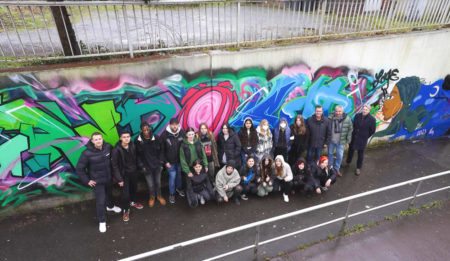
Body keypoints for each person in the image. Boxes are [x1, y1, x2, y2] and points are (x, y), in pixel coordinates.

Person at [76, 132, 121, 233]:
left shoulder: (108, 146)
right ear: (92, 141)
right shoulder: (86, 153)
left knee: (109, 195)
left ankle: (110, 207)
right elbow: (79, 169)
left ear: (102, 139)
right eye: (96, 139)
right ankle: (102, 221)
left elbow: (115, 157)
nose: (98, 141)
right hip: (97, 182)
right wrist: (87, 180)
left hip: (108, 179)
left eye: (99, 139)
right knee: (100, 202)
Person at [112, 131, 144, 222]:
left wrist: (140, 166)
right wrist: (119, 179)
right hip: (124, 175)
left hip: (133, 172)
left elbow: (137, 157)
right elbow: (114, 166)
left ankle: (133, 202)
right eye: (124, 137)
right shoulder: (116, 149)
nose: (127, 138)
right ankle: (126, 210)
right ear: (120, 138)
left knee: (134, 189)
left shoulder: (133, 145)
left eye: (128, 136)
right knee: (125, 194)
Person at [135, 123, 166, 207]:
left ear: (150, 129)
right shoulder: (138, 140)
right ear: (141, 130)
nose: (146, 132)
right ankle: (152, 197)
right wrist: (142, 166)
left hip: (157, 166)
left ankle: (159, 196)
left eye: (147, 129)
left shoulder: (156, 138)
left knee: (158, 182)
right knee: (150, 184)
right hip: (146, 167)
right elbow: (137, 155)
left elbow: (162, 151)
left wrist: (160, 163)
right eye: (144, 130)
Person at [342, 105, 376, 176]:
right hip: (354, 137)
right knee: (350, 151)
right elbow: (353, 125)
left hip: (362, 139)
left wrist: (366, 136)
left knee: (360, 154)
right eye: (364, 109)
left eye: (366, 110)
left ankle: (358, 168)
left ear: (369, 111)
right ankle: (348, 163)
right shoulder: (357, 116)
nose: (364, 111)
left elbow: (372, 130)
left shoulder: (372, 119)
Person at [160, 118, 186, 204]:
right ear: (170, 125)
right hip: (169, 162)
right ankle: (171, 194)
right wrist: (165, 162)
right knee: (172, 177)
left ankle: (179, 188)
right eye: (173, 124)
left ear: (178, 125)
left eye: (176, 124)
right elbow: (161, 150)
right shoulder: (164, 135)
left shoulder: (182, 132)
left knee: (179, 176)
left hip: (179, 161)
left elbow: (186, 145)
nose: (174, 126)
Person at [180, 127, 209, 193]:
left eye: (192, 134)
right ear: (186, 135)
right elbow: (182, 159)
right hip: (190, 168)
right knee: (190, 185)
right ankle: (192, 197)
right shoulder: (183, 145)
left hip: (198, 167)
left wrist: (206, 165)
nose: (191, 136)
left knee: (200, 182)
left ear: (194, 134)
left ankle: (201, 194)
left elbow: (203, 155)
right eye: (189, 134)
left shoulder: (198, 142)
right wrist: (187, 171)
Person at [327, 105, 353, 177]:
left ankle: (337, 168)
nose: (338, 113)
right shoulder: (330, 118)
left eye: (340, 111)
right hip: (331, 141)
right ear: (334, 111)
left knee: (340, 156)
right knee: (330, 154)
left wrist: (348, 141)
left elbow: (350, 130)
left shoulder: (347, 119)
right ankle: (330, 167)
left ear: (342, 111)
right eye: (337, 111)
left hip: (341, 142)